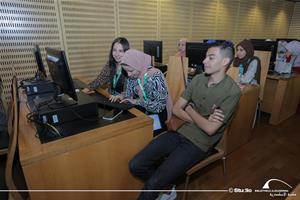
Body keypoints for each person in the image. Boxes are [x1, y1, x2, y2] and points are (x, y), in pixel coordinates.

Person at [129, 42, 241, 200]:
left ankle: (159, 186)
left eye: (211, 57)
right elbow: (176, 109)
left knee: (153, 184)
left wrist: (188, 109)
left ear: (225, 62)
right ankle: (166, 188)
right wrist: (203, 119)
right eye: (205, 57)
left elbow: (210, 130)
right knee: (136, 164)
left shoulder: (232, 91)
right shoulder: (197, 79)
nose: (204, 61)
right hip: (180, 131)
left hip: (200, 142)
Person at [113, 49, 172, 135]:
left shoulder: (155, 75)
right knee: (126, 128)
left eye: (131, 71)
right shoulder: (133, 75)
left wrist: (137, 101)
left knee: (140, 134)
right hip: (144, 110)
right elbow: (129, 93)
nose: (128, 74)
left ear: (138, 65)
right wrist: (122, 96)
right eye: (126, 71)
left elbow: (159, 106)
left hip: (158, 114)